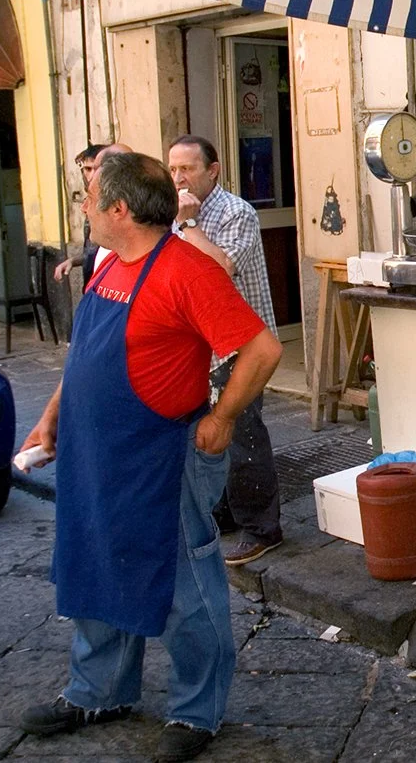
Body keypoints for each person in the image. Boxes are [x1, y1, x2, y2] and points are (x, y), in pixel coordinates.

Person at [17, 152, 282, 762]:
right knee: (96, 564)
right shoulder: (109, 266)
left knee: (186, 584)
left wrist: (221, 417)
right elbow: (86, 355)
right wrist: (53, 416)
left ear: (120, 209)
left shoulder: (186, 271)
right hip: (97, 453)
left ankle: (197, 712)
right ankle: (99, 691)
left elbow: (262, 350)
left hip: (162, 454)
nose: (81, 209)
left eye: (89, 198)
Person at [167, 134, 284, 566]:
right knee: (206, 437)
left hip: (242, 346)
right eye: (173, 169)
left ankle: (262, 528)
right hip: (200, 346)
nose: (179, 178)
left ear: (212, 171)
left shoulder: (237, 212)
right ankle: (226, 514)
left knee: (244, 436)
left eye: (188, 169)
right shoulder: (173, 216)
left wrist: (190, 226)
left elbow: (221, 268)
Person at [53, 143, 107, 287]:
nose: (91, 175)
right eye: (87, 169)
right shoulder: (89, 203)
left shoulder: (112, 205)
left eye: (95, 169)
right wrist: (73, 261)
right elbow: (92, 251)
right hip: (91, 284)